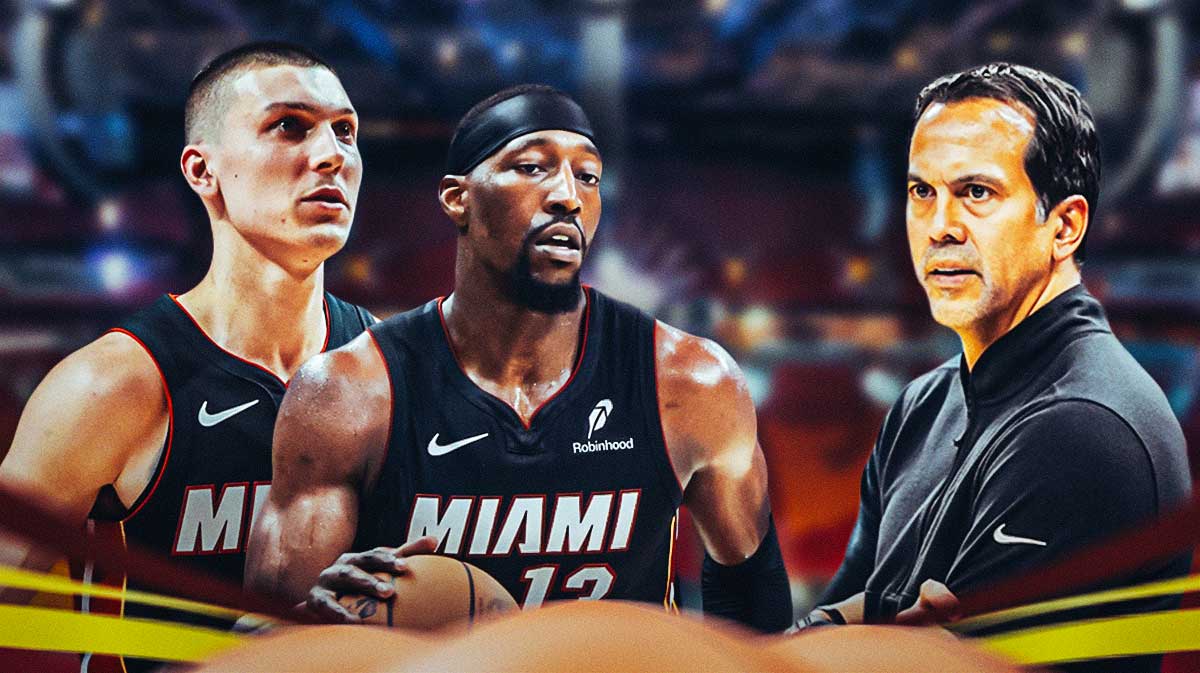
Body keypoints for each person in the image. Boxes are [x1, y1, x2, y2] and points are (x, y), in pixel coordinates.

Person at [245, 84, 793, 633]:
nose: (568, 196)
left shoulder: (691, 381)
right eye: (532, 167)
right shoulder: (345, 394)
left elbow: (752, 596)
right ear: (458, 198)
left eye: (588, 176)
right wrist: (304, 619)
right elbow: (262, 637)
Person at [0, 41, 372, 671]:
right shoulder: (113, 385)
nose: (331, 155)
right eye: (290, 127)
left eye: (344, 131)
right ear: (203, 172)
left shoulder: (385, 365)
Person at [809, 63, 1191, 673]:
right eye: (921, 193)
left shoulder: (1083, 428)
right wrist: (871, 622)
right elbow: (818, 641)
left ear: (1064, 225)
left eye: (976, 193)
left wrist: (867, 623)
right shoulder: (921, 406)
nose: (939, 228)